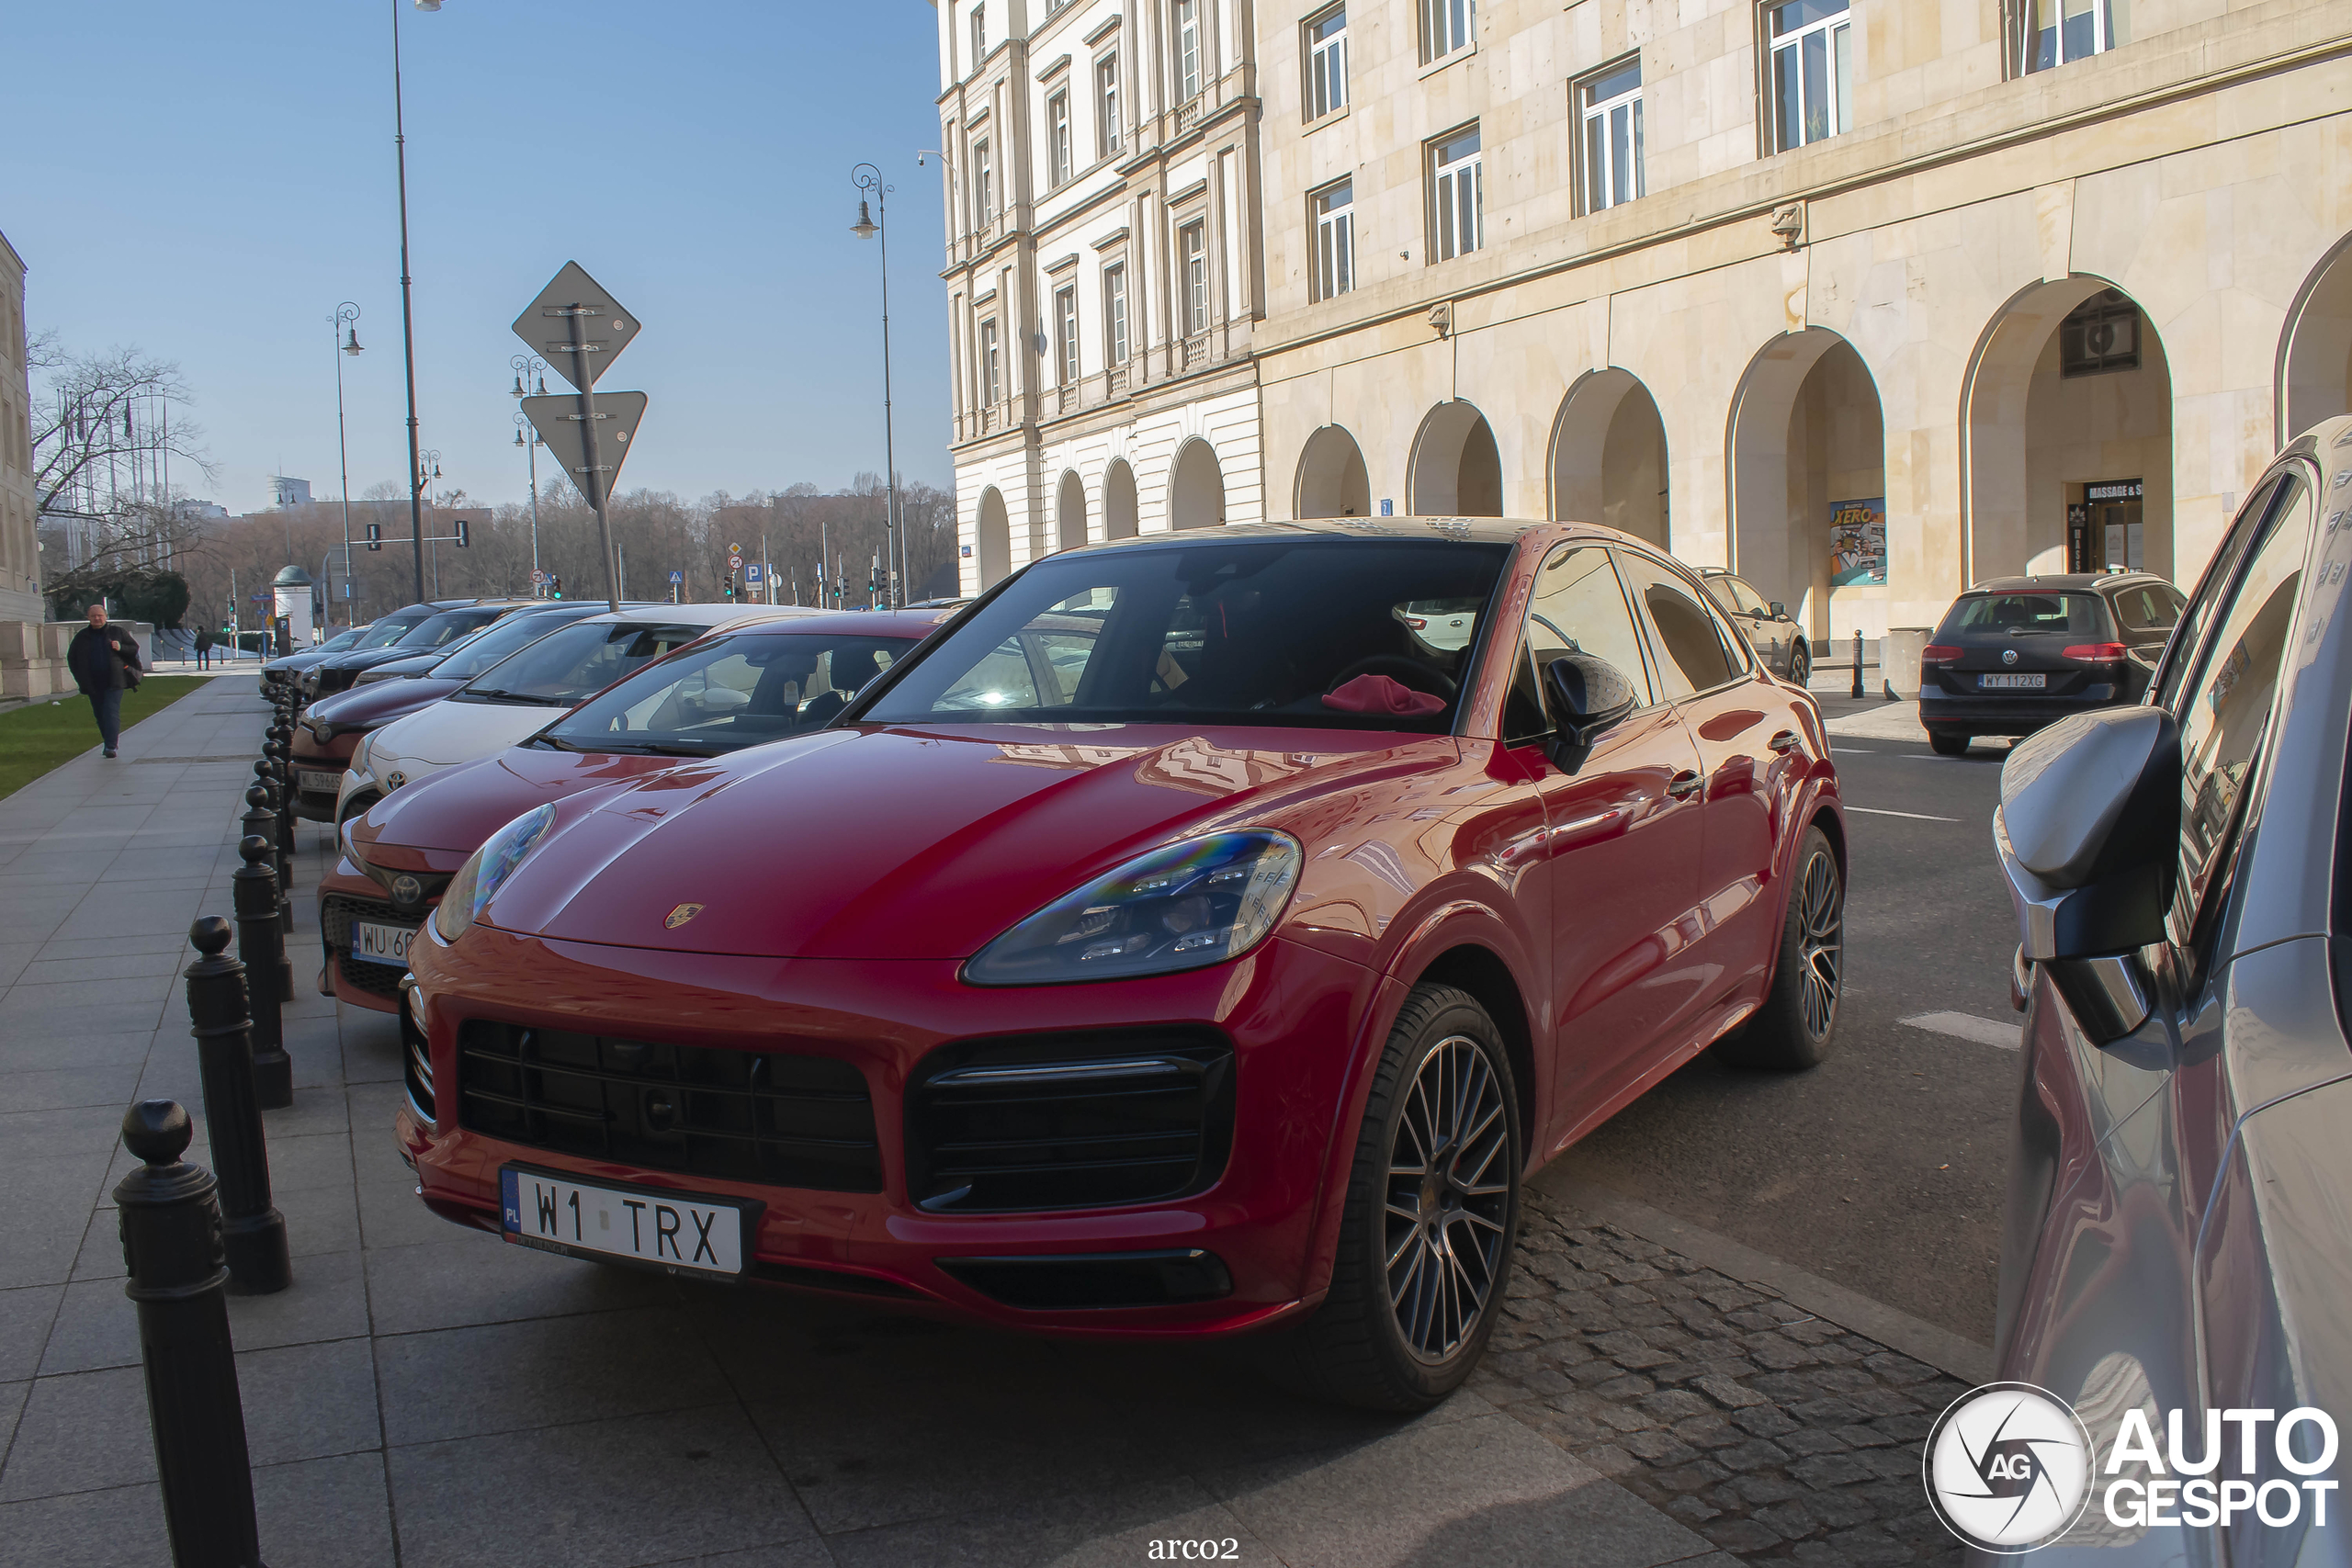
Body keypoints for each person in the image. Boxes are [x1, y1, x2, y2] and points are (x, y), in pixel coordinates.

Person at [67, 604, 142, 760]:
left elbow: (133, 649)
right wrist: (80, 677)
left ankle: (110, 746)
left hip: (114, 680)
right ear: (88, 618)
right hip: (92, 683)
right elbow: (72, 658)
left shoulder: (117, 632)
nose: (97, 618)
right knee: (100, 714)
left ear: (106, 617)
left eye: (100, 615)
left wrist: (120, 647)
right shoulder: (82, 637)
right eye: (93, 616)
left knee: (110, 711)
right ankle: (108, 741)